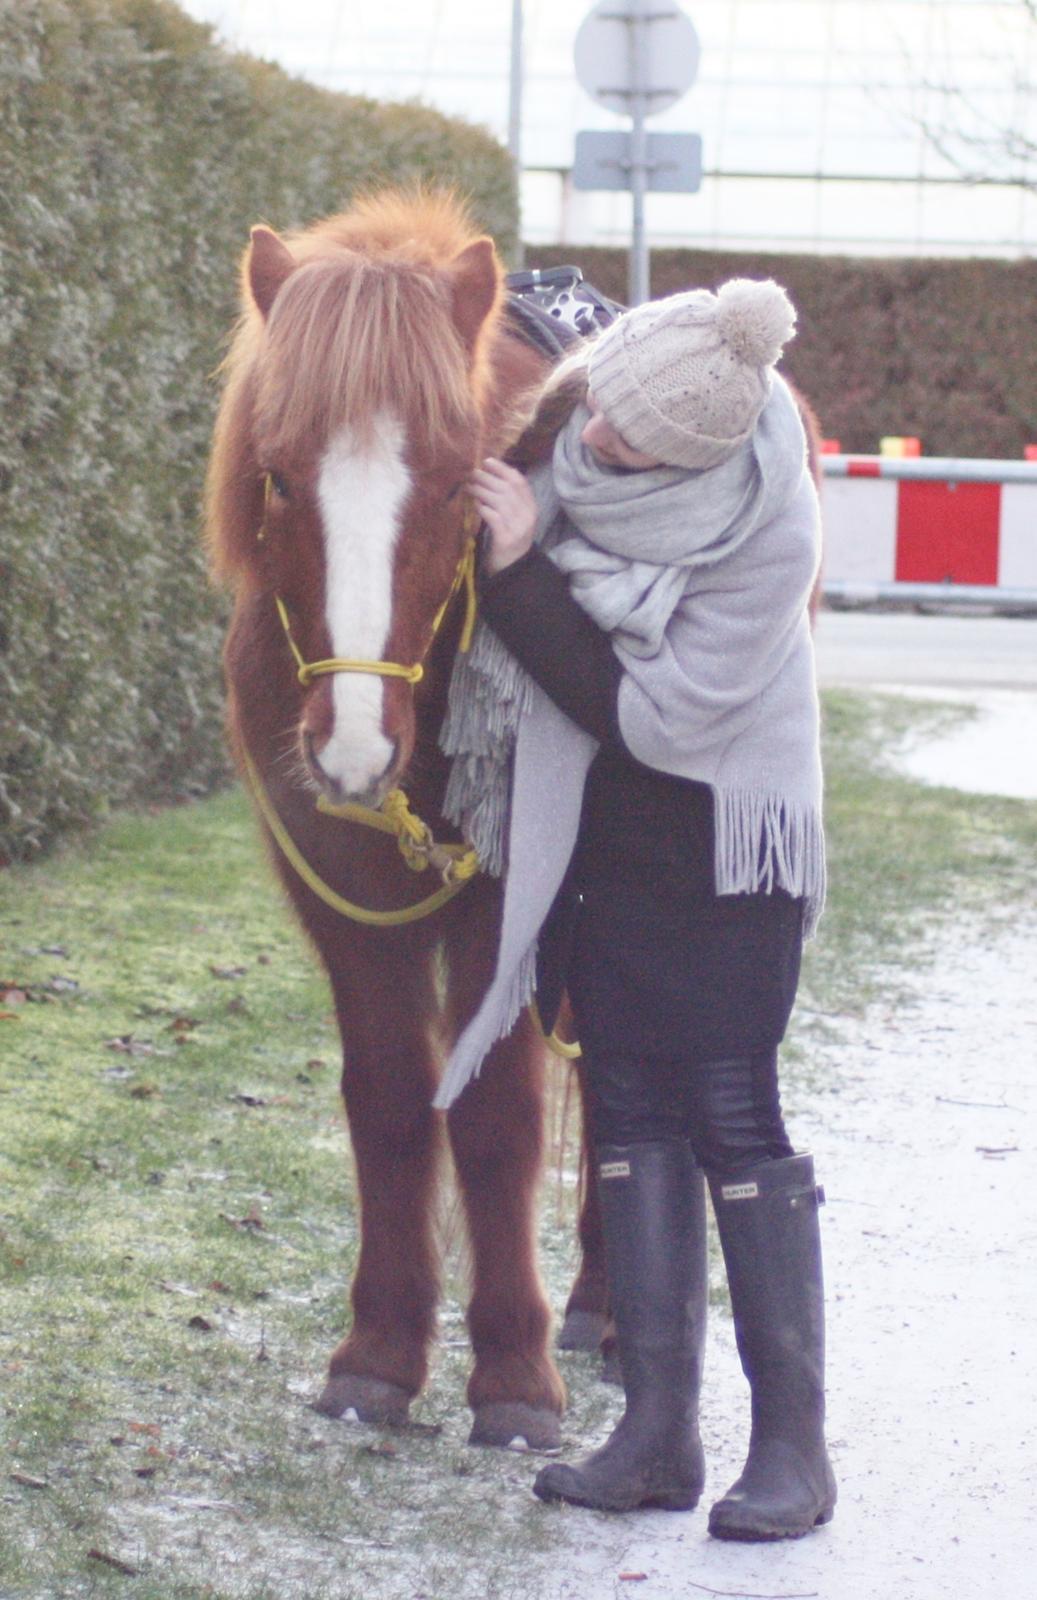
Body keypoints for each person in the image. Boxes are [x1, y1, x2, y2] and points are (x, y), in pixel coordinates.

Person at [434, 279, 836, 1541]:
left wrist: (516, 573)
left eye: (630, 444)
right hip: (603, 834)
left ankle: (792, 1453)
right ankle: (654, 1437)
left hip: (722, 837)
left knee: (728, 1110)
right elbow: (562, 465)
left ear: (701, 451)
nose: (596, 443)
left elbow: (657, 717)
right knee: (627, 1100)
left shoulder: (767, 521)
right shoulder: (584, 406)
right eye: (598, 414)